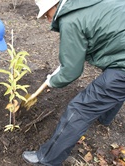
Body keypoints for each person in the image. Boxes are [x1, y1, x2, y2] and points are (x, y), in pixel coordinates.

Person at [22, 0, 125, 165]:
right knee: (115, 84)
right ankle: (105, 118)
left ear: (54, 6)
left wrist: (52, 81)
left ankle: (47, 158)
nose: (48, 20)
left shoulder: (70, 20)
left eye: (47, 14)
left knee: (80, 109)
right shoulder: (86, 4)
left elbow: (71, 71)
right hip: (121, 53)